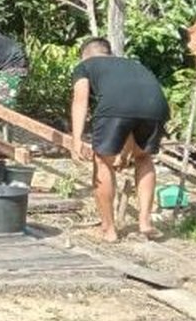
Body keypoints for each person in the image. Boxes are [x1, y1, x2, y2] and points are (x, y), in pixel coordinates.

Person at [70, 37, 170, 242]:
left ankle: (108, 230)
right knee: (143, 158)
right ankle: (145, 223)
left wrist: (76, 139)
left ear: (85, 55)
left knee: (102, 161)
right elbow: (134, 104)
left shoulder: (85, 65)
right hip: (156, 107)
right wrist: (125, 151)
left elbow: (80, 100)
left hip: (115, 109)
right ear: (109, 53)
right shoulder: (133, 64)